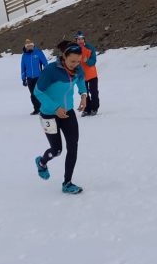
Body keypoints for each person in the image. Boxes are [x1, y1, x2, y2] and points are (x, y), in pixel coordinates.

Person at [33, 40, 88, 194]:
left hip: (68, 112)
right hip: (49, 114)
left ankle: (67, 183)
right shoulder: (51, 70)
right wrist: (55, 108)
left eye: (78, 61)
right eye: (72, 61)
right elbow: (38, 92)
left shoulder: (77, 68)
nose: (75, 64)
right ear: (64, 56)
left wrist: (83, 96)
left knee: (73, 147)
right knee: (56, 150)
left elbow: (81, 81)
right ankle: (42, 162)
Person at [21, 38, 49, 115]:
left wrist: (46, 74)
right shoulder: (24, 56)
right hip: (29, 78)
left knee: (39, 93)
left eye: (31, 46)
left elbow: (45, 63)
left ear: (33, 46)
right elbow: (23, 67)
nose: (30, 47)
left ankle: (43, 108)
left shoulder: (38, 53)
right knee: (33, 94)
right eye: (28, 46)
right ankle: (36, 109)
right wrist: (23, 79)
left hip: (38, 77)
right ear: (26, 47)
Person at [74, 31, 99, 116]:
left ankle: (94, 108)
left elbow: (93, 61)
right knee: (84, 93)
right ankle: (86, 109)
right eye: (78, 39)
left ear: (84, 39)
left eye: (81, 39)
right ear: (76, 40)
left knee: (94, 92)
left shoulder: (90, 48)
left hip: (92, 75)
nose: (80, 41)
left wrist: (87, 61)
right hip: (81, 76)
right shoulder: (74, 50)